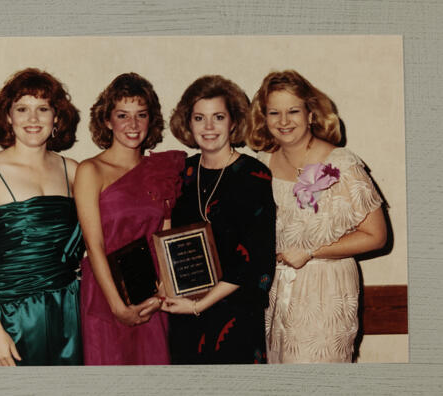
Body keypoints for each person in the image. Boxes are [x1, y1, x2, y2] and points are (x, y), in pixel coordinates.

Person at [247, 69, 387, 363]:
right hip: (273, 294)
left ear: (311, 113)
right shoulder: (261, 164)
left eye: (293, 111)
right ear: (264, 117)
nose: (283, 121)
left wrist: (311, 251)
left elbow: (377, 236)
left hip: (325, 293)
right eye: (274, 112)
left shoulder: (342, 164)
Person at [0, 68, 84, 366]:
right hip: (9, 317)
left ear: (56, 117)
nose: (33, 119)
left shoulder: (75, 171)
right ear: (8, 116)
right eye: (22, 109)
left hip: (68, 311)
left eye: (43, 109)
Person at [161, 75, 276, 364]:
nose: (209, 127)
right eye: (200, 118)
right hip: (185, 317)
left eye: (218, 117)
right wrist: (165, 283)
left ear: (234, 122)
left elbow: (256, 261)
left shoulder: (254, 175)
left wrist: (199, 306)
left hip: (234, 317)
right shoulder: (180, 173)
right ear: (188, 123)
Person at [74, 72, 185, 365]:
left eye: (141, 115)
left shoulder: (162, 168)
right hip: (105, 292)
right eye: (123, 115)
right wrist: (116, 306)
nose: (133, 125)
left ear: (151, 120)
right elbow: (93, 244)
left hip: (151, 292)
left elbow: (166, 235)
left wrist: (163, 290)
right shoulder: (90, 170)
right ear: (108, 120)